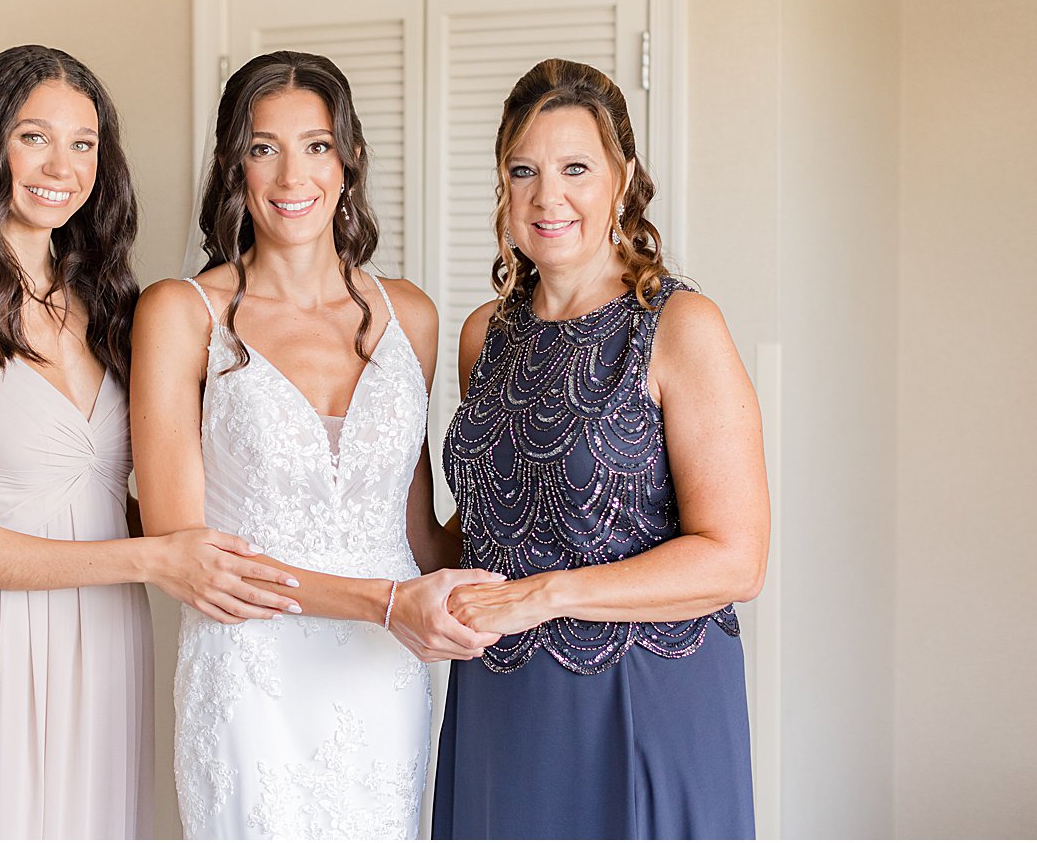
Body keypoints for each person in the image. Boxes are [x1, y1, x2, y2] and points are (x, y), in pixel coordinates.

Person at [0, 45, 301, 839]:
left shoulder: (112, 303)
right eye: (34, 136)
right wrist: (153, 558)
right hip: (2, 647)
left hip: (111, 644)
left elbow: (148, 486)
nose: (62, 165)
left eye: (84, 144)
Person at [131, 50, 503, 839]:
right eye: (263, 147)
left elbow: (418, 531)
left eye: (316, 145)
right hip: (250, 675)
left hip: (384, 677)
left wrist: (540, 508)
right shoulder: (180, 313)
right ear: (235, 165)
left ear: (349, 158)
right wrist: (382, 601)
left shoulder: (414, 318)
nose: (291, 175)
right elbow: (183, 550)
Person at [432, 58, 769, 839]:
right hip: (500, 702)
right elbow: (477, 533)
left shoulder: (680, 327)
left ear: (621, 180)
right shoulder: (485, 334)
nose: (549, 196)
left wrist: (545, 594)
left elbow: (735, 560)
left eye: (575, 167)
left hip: (644, 696)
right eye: (525, 170)